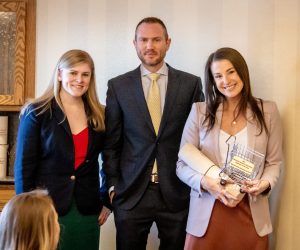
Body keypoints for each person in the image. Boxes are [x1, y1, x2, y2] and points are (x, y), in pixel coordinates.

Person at [103, 17, 204, 250]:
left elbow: (199, 142)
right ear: (135, 44)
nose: (150, 46)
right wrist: (112, 186)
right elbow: (111, 143)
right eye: (144, 40)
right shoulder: (118, 86)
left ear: (168, 43)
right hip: (131, 193)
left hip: (177, 192)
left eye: (156, 39)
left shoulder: (190, 85)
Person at [176, 47, 283, 250]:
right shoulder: (200, 112)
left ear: (242, 71)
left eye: (231, 71)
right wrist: (207, 183)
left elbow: (274, 163)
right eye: (218, 76)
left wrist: (264, 184)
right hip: (208, 211)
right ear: (213, 81)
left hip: (250, 212)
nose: (226, 80)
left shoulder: (268, 111)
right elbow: (182, 164)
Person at [14, 49, 111, 250]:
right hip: (45, 209)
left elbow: (110, 160)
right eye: (73, 73)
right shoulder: (37, 112)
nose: (79, 80)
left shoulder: (100, 114)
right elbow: (24, 167)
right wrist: (25, 209)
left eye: (85, 74)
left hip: (87, 209)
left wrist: (107, 200)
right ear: (59, 74)